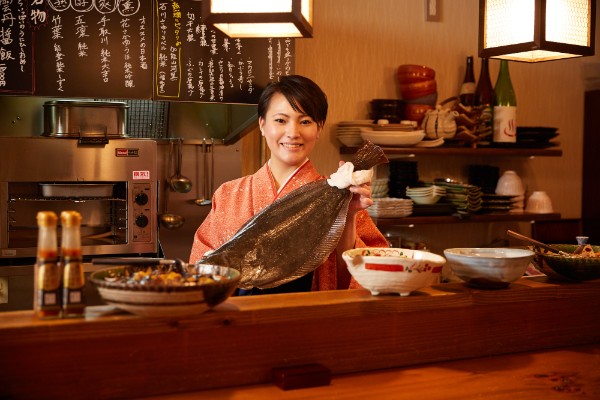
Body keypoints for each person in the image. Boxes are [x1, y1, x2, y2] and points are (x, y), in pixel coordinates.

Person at [189, 74, 388, 294]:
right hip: (238, 321)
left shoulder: (344, 195)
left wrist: (348, 216)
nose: (293, 133)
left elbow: (359, 279)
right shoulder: (228, 194)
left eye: (305, 121)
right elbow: (200, 274)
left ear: (319, 128)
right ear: (262, 125)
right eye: (281, 120)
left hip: (308, 320)